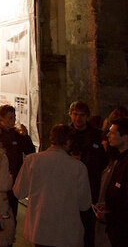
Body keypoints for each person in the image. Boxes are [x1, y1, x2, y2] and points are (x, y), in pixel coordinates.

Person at [13, 124, 91, 247]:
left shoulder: (32, 160)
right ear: (68, 142)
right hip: (67, 232)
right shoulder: (78, 167)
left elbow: (19, 192)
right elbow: (84, 204)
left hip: (39, 229)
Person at [66, 101, 107, 247]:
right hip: (69, 188)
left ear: (87, 116)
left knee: (88, 227)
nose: (78, 118)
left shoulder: (96, 135)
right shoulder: (65, 134)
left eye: (82, 115)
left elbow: (103, 161)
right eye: (75, 114)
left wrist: (85, 161)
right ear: (70, 115)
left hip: (90, 186)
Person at [0, 104, 35, 220]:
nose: (13, 121)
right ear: (1, 118)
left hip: (14, 177)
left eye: (14, 117)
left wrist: (26, 136)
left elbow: (30, 151)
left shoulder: (17, 135)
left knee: (12, 209)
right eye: (10, 118)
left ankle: (11, 228)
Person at [98, 117, 128, 246]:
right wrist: (108, 205)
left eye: (112, 132)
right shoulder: (119, 160)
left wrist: (109, 216)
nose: (108, 135)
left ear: (125, 137)